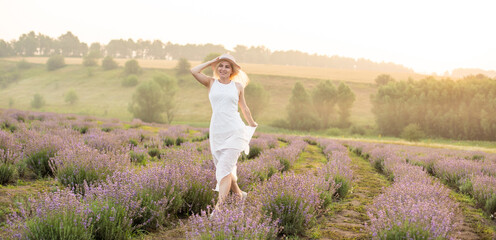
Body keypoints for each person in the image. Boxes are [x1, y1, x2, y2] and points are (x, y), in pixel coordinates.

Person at [190, 54, 257, 211]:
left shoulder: (238, 87)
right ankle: (239, 195)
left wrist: (252, 124)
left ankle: (218, 209)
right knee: (224, 168)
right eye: (221, 65)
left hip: (235, 131)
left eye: (227, 66)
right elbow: (194, 71)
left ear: (232, 70)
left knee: (224, 169)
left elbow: (244, 108)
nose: (223, 69)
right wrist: (212, 62)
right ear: (216, 68)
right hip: (217, 132)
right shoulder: (211, 83)